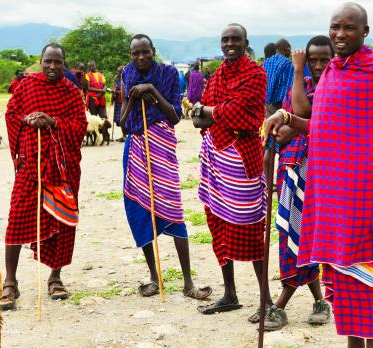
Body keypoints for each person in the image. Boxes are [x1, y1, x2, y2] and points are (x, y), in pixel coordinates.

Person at [265, 3, 373, 348]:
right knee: (340, 272)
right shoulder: (336, 73)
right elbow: (321, 126)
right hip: (330, 192)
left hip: (361, 196)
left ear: (365, 32)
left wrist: (365, 199)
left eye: (349, 28)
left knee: (366, 276)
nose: (340, 34)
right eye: (334, 27)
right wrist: (287, 117)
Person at [120, 34, 211, 300]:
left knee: (172, 206)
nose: (140, 58)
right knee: (138, 207)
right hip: (135, 146)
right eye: (135, 53)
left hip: (161, 145)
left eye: (145, 52)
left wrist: (151, 89)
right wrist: (134, 98)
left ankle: (187, 282)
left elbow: (173, 117)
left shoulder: (169, 73)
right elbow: (123, 124)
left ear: (153, 51)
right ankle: (154, 276)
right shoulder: (127, 73)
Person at [253, 36, 334, 331]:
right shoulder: (295, 89)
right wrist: (287, 124)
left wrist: (298, 70)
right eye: (312, 60)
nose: (318, 65)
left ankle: (278, 306)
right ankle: (319, 302)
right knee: (292, 236)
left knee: (303, 239)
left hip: (319, 175)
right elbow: (283, 133)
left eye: (325, 59)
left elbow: (301, 111)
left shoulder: (331, 88)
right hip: (292, 170)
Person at [191, 23, 271, 317]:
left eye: (235, 39)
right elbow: (201, 119)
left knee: (249, 227)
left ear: (246, 42)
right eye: (225, 39)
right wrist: (212, 112)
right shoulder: (218, 75)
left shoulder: (255, 74)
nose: (229, 44)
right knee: (217, 225)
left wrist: (209, 111)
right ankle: (230, 294)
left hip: (242, 158)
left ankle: (266, 301)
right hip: (215, 155)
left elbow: (239, 112)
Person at [1, 43, 87, 310]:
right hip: (31, 165)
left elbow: (80, 126)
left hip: (62, 170)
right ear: (40, 61)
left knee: (61, 220)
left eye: (58, 62)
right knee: (18, 216)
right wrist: (28, 120)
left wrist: (53, 121)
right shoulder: (26, 86)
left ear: (65, 64)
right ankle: (10, 281)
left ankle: (55, 276)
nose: (52, 67)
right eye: (48, 61)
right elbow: (12, 114)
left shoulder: (72, 92)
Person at [262, 39, 294, 115]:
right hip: (278, 107)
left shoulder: (266, 62)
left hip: (265, 106)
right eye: (290, 50)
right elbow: (287, 89)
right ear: (287, 50)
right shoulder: (287, 63)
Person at [111, 66, 125, 142]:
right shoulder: (117, 80)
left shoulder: (125, 79)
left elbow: (126, 91)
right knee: (118, 119)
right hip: (117, 101)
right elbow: (116, 88)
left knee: (123, 118)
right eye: (118, 72)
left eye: (120, 72)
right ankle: (123, 135)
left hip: (123, 102)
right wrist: (113, 94)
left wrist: (116, 92)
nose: (118, 74)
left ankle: (125, 135)